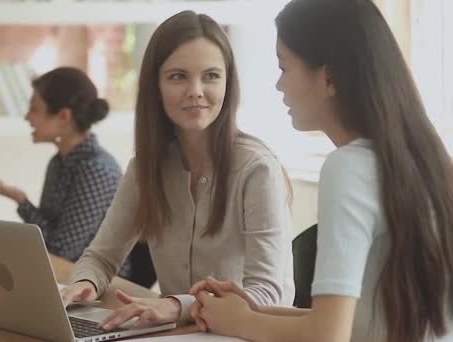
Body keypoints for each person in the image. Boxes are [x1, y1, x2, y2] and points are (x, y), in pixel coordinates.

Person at [189, 1, 453, 342]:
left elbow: (328, 335)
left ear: (328, 77)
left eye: (284, 67)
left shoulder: (349, 168)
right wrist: (252, 310)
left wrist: (238, 323)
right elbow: (363, 321)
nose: (279, 85)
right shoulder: (427, 161)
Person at [60, 10, 295, 330]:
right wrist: (85, 282)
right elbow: (101, 257)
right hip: (182, 334)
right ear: (155, 86)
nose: (196, 90)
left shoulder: (256, 170)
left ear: (228, 83)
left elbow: (267, 294)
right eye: (178, 76)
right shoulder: (146, 167)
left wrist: (176, 305)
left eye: (211, 75)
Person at [0, 67, 126, 271]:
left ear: (63, 116)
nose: (27, 117)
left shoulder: (96, 169)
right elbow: (48, 237)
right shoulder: (58, 162)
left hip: (98, 284)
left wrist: (14, 211)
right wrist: (19, 201)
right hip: (62, 274)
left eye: (34, 109)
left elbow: (61, 250)